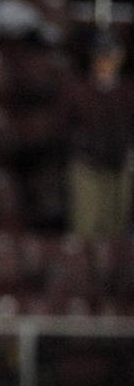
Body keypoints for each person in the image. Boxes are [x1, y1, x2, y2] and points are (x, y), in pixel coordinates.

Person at [65, 42, 131, 240]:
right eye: (102, 57)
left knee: (116, 224)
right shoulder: (78, 90)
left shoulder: (127, 91)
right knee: (87, 224)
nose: (106, 62)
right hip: (87, 164)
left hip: (119, 163)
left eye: (111, 56)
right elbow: (63, 126)